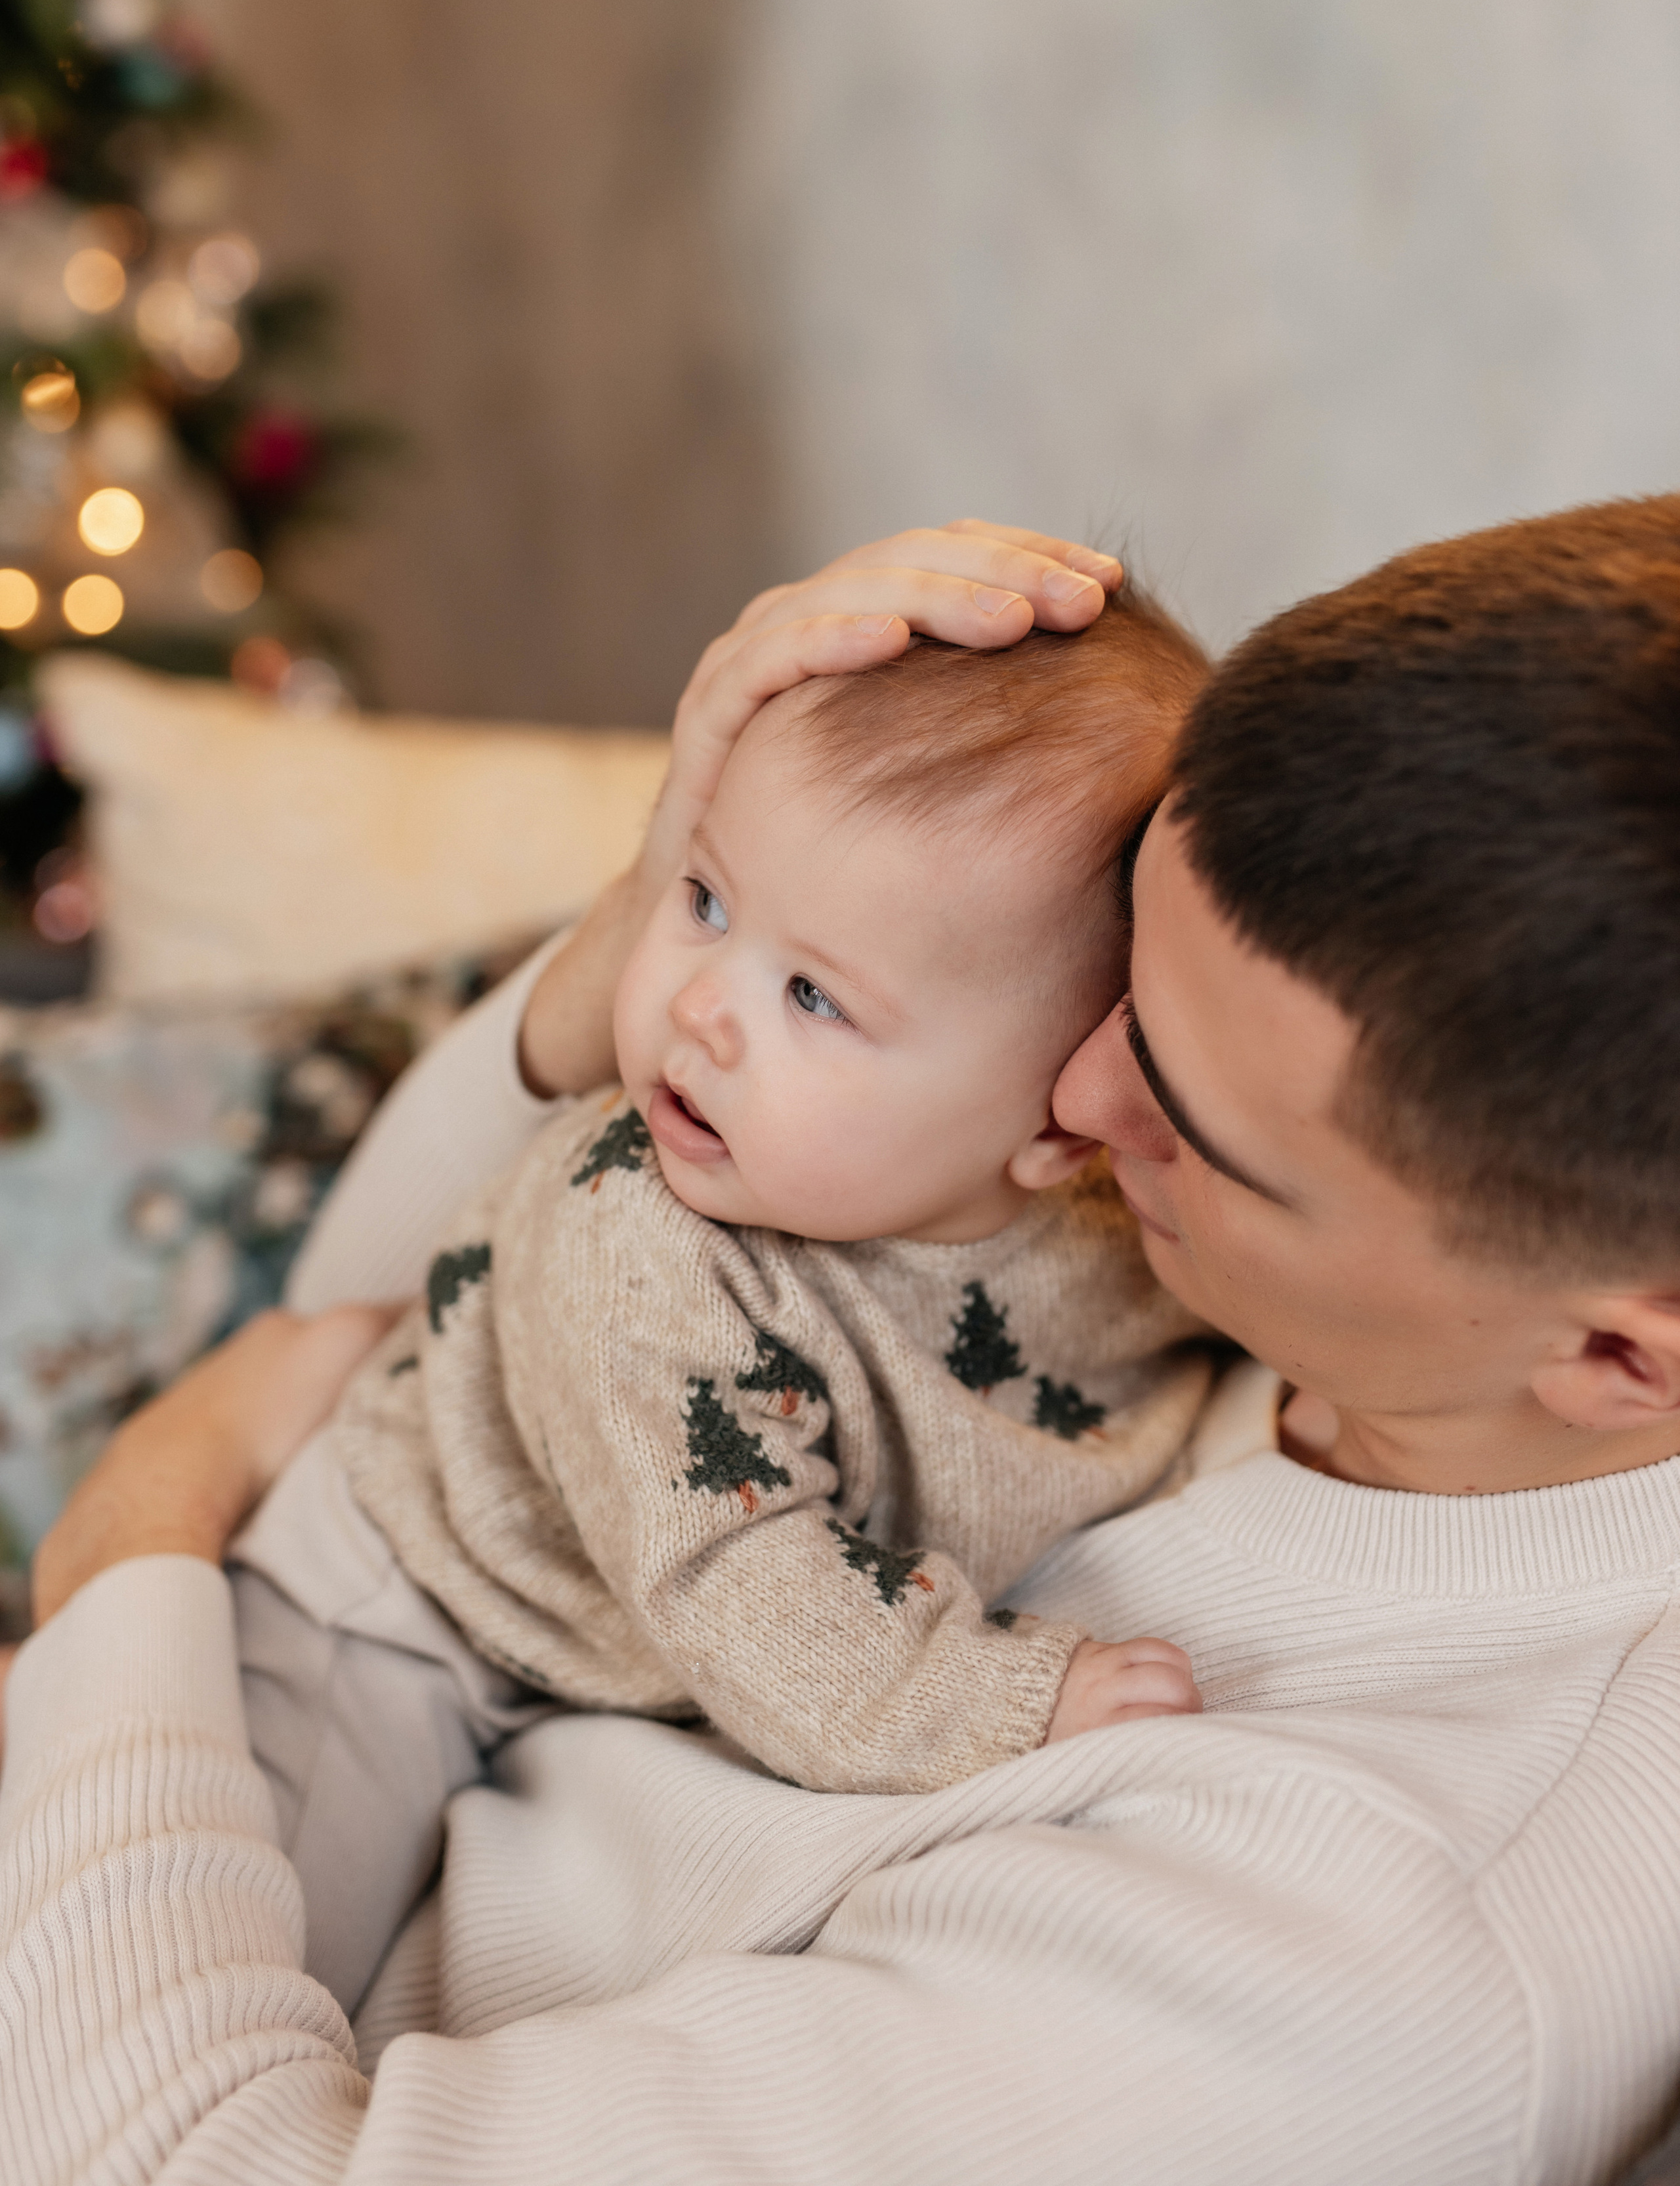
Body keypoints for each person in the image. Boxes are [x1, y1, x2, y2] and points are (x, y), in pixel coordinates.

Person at [5, 504, 1680, 2186]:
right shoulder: (1380, 1312)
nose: (1076, 1116)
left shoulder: (1341, 1971)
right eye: (1120, 992)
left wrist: (135, 1545)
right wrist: (650, 913)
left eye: (1181, 1108)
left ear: (1623, 1360)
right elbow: (423, 1332)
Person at [232, 590, 1217, 2013]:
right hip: (397, 1603)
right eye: (703, 901)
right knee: (253, 1942)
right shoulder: (638, 1233)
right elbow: (739, 1586)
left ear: (1060, 1121)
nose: (700, 1005)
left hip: (611, 1661)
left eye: (814, 996)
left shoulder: (1111, 1226)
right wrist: (1015, 1701)